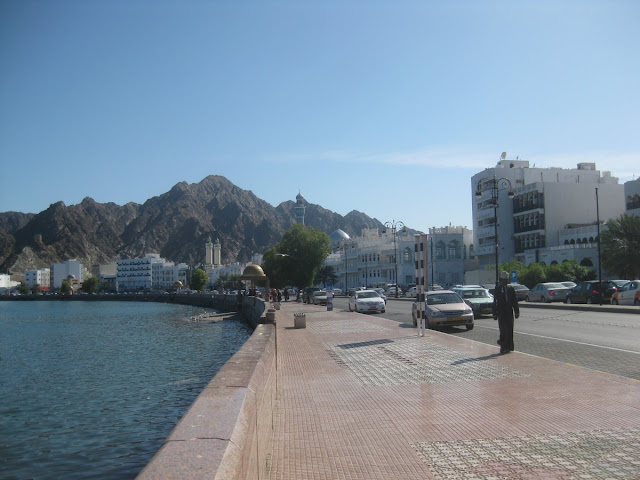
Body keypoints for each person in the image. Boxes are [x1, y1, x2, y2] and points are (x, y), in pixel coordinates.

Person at [493, 271, 519, 354]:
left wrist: (516, 311)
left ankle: (509, 347)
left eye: (507, 279)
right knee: (503, 330)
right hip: (501, 313)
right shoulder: (497, 289)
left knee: (509, 330)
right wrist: (494, 313)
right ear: (501, 280)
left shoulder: (511, 288)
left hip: (509, 312)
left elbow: (514, 301)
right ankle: (503, 346)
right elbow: (495, 302)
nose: (505, 281)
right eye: (504, 280)